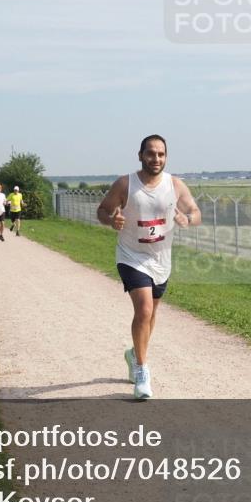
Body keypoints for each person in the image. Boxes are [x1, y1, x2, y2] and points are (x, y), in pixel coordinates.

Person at [97, 134, 200, 399]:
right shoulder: (125, 184)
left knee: (151, 315)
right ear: (140, 155)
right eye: (151, 153)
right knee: (143, 310)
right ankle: (142, 371)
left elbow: (196, 213)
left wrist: (187, 219)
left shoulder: (175, 185)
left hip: (161, 260)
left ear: (166, 157)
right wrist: (112, 221)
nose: (156, 159)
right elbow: (102, 210)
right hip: (131, 255)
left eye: (161, 154)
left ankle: (134, 354)